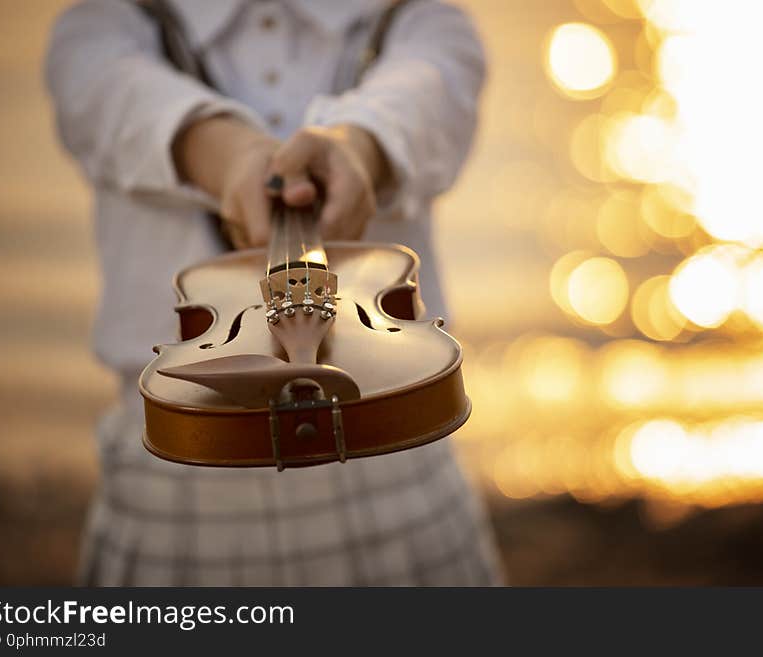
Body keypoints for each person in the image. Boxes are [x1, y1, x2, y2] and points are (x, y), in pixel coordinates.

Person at [45, 0, 502, 586]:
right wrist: (228, 155)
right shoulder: (109, 20)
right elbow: (109, 93)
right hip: (184, 458)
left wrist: (360, 147)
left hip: (389, 444)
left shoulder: (409, 14)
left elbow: (432, 84)